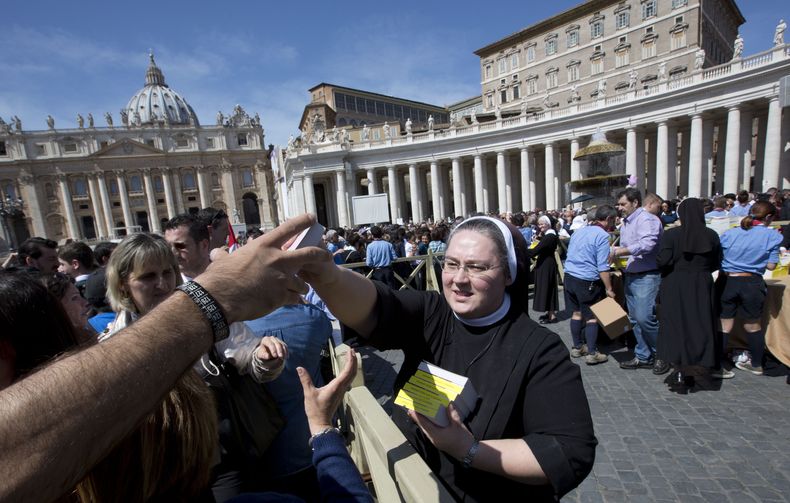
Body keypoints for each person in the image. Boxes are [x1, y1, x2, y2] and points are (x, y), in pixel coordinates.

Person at [301, 216, 596, 501]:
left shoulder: (541, 348)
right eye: (451, 264)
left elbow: (569, 452)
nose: (458, 280)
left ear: (509, 274)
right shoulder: (434, 312)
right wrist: (328, 276)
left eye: (477, 267)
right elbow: (377, 305)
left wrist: (468, 449)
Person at [655, 199, 725, 385]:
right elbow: (717, 262)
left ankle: (678, 368)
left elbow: (663, 261)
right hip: (701, 284)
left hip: (675, 283)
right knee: (699, 324)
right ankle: (696, 367)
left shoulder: (672, 235)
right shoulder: (711, 235)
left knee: (675, 324)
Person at [717, 201, 783, 376]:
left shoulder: (730, 233)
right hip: (752, 283)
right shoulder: (773, 236)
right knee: (753, 325)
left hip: (728, 281)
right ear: (768, 217)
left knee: (724, 325)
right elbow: (770, 266)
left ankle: (718, 365)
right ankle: (756, 364)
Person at [612, 188, 667, 374]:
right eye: (618, 204)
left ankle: (662, 353)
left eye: (623, 204)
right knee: (635, 319)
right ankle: (643, 355)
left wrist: (621, 251)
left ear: (635, 203)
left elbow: (648, 244)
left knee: (645, 318)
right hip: (632, 274)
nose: (619, 208)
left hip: (647, 276)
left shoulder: (647, 219)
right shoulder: (627, 222)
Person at [563, 206, 618, 365]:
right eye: (613, 220)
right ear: (608, 219)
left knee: (576, 313)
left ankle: (577, 346)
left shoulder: (579, 231)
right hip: (587, 280)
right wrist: (609, 288)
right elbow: (603, 267)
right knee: (592, 317)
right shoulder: (602, 235)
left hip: (570, 276)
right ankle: (592, 353)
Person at [36, 272, 95, 343]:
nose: (85, 302)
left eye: (79, 296)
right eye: (74, 298)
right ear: (56, 308)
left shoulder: (86, 333)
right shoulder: (57, 347)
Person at [528, 215, 559, 324]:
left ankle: (552, 316)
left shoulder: (549, 237)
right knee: (548, 288)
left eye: (542, 224)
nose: (540, 226)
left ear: (548, 224)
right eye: (539, 224)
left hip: (546, 264)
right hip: (547, 263)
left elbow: (534, 251)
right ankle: (551, 314)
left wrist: (521, 250)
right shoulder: (549, 235)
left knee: (547, 289)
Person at [164, 213, 212, 281]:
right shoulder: (167, 288)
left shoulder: (228, 277)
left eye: (180, 246)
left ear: (204, 245)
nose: (173, 253)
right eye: (168, 247)